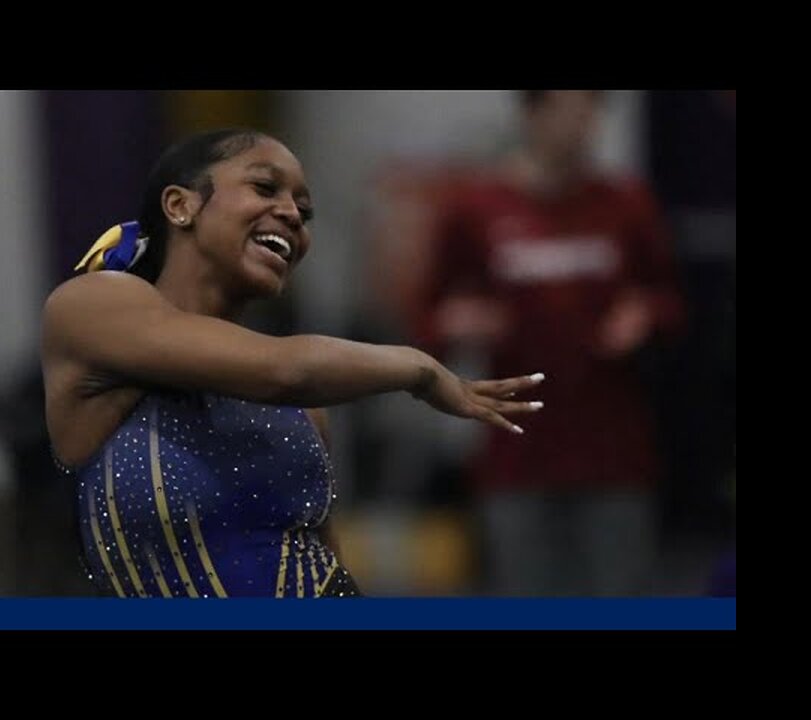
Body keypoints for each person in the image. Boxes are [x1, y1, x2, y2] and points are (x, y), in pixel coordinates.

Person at [40, 129, 545, 598]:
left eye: (303, 212)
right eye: (265, 187)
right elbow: (284, 370)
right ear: (180, 205)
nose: (291, 216)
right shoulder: (91, 308)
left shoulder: (304, 414)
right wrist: (421, 368)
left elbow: (326, 559)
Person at [418, 91, 685, 596]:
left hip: (613, 450)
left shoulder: (627, 205)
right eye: (566, 112)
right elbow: (428, 318)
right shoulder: (476, 210)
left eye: (590, 114)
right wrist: (457, 324)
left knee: (621, 594)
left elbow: (671, 303)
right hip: (517, 451)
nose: (579, 127)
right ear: (532, 114)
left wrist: (644, 316)